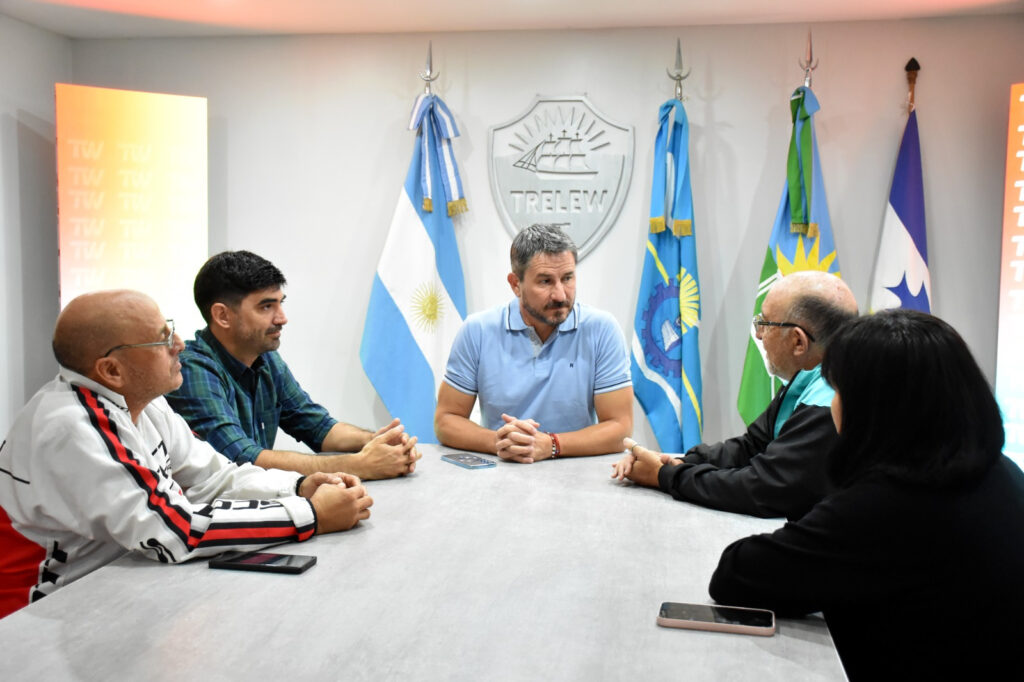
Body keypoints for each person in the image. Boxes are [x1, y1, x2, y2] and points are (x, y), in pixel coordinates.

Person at [0, 290, 373, 619]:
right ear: (112, 370)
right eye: (162, 339)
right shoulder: (73, 427)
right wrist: (311, 514)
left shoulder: (143, 403)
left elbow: (213, 479)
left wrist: (299, 486)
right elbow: (174, 531)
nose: (179, 343)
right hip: (42, 617)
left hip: (113, 588)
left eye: (171, 329)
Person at [708, 309, 1024, 679]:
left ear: (873, 407)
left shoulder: (891, 505)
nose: (832, 404)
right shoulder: (1002, 473)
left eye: (838, 390)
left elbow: (737, 573)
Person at [612, 271, 857, 520]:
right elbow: (750, 447)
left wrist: (663, 476)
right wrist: (675, 461)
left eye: (765, 323)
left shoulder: (828, 402)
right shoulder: (810, 378)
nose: (758, 335)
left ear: (798, 342)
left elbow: (763, 488)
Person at [166, 251, 420, 479]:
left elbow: (318, 427)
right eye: (266, 306)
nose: (282, 318)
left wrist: (377, 442)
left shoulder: (265, 358)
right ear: (222, 315)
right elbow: (241, 459)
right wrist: (359, 464)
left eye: (281, 303)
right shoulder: (191, 370)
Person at [435, 224, 633, 462]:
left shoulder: (602, 330)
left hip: (577, 470)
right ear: (515, 284)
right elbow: (446, 421)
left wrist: (551, 445)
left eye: (567, 278)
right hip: (501, 469)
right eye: (545, 281)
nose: (560, 295)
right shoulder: (477, 331)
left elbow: (620, 428)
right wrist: (500, 442)